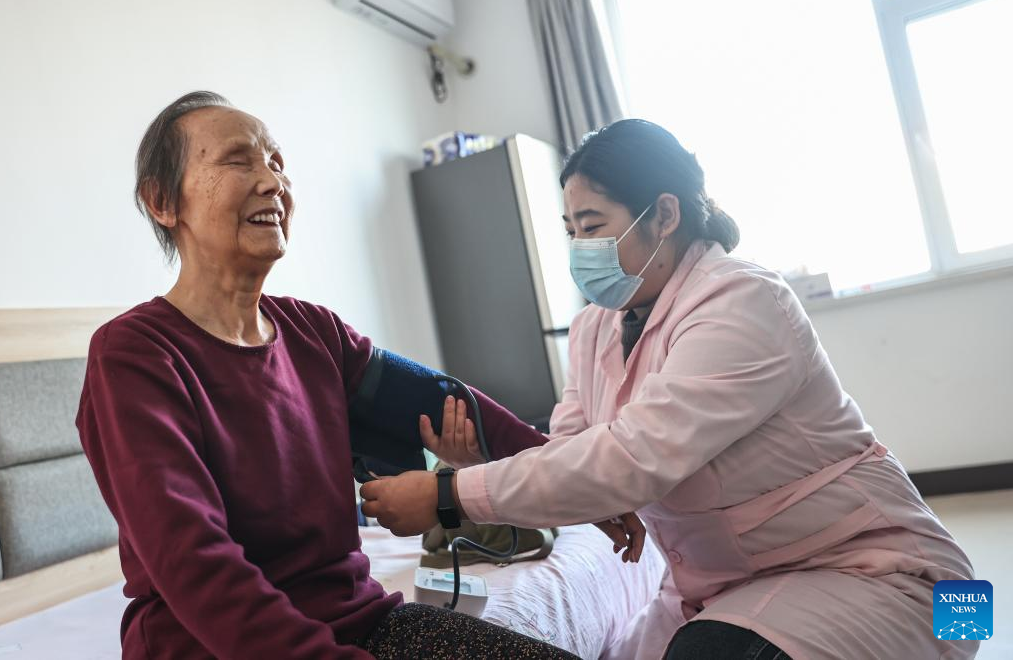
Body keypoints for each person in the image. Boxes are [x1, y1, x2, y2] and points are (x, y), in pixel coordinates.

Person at [360, 119, 979, 659]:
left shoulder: (744, 299)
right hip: (725, 586)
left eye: (593, 225)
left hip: (890, 576)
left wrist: (449, 495)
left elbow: (633, 456)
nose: (579, 248)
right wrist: (484, 464)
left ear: (664, 214)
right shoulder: (595, 328)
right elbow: (573, 453)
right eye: (571, 229)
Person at [76, 90, 602, 659]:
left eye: (276, 163)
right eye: (238, 161)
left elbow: (446, 401)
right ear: (162, 201)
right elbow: (194, 563)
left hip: (360, 620)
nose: (272, 182)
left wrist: (581, 484)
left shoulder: (314, 332)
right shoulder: (134, 354)